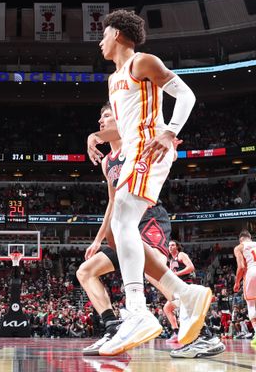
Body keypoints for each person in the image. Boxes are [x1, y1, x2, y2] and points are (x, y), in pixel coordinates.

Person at [87, 9, 212, 355]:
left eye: (104, 33)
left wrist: (170, 132)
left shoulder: (142, 62)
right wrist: (96, 135)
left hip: (150, 147)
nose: (100, 40)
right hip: (134, 149)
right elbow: (124, 127)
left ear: (119, 35)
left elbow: (186, 95)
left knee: (122, 218)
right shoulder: (114, 80)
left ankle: (138, 310)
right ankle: (186, 294)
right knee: (121, 223)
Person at [79, 105, 223, 359]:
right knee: (86, 271)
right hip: (122, 222)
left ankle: (205, 335)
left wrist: (94, 136)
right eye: (99, 117)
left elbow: (163, 153)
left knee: (154, 273)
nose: (101, 120)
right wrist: (99, 238)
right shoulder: (106, 163)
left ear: (121, 119)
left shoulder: (135, 145)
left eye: (107, 115)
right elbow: (113, 203)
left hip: (148, 217)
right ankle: (113, 328)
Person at [163, 240, 195, 343]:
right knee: (167, 308)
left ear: (177, 247)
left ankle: (196, 333)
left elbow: (191, 267)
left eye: (172, 245)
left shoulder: (181, 255)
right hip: (177, 288)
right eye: (169, 245)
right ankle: (176, 332)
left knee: (185, 312)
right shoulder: (171, 260)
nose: (170, 247)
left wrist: (177, 274)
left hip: (185, 286)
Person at [233, 229, 256, 347]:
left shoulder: (239, 247)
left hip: (252, 272)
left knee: (251, 304)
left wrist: (237, 282)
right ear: (250, 237)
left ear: (241, 239)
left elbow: (241, 267)